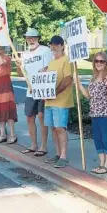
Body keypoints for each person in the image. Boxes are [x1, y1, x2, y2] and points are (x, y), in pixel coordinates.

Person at [75, 51, 107, 174]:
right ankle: (101, 163)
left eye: (101, 61)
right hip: (94, 112)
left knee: (106, 137)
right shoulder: (93, 78)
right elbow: (89, 96)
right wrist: (78, 84)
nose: (98, 63)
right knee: (98, 138)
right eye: (96, 61)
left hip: (105, 113)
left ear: (106, 63)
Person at [16, 28, 53, 157]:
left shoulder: (45, 50)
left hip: (42, 89)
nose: (31, 40)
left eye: (33, 37)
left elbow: (49, 67)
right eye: (28, 38)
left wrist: (41, 75)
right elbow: (21, 74)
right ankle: (33, 144)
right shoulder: (24, 54)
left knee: (42, 117)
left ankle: (43, 146)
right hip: (30, 91)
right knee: (29, 117)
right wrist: (18, 65)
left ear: (38, 38)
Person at [44, 35, 74, 168]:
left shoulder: (66, 60)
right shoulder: (51, 62)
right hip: (49, 102)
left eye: (56, 44)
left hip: (61, 101)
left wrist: (54, 92)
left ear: (62, 46)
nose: (54, 46)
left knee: (60, 128)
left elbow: (68, 79)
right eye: (52, 44)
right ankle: (57, 154)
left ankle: (63, 156)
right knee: (53, 128)